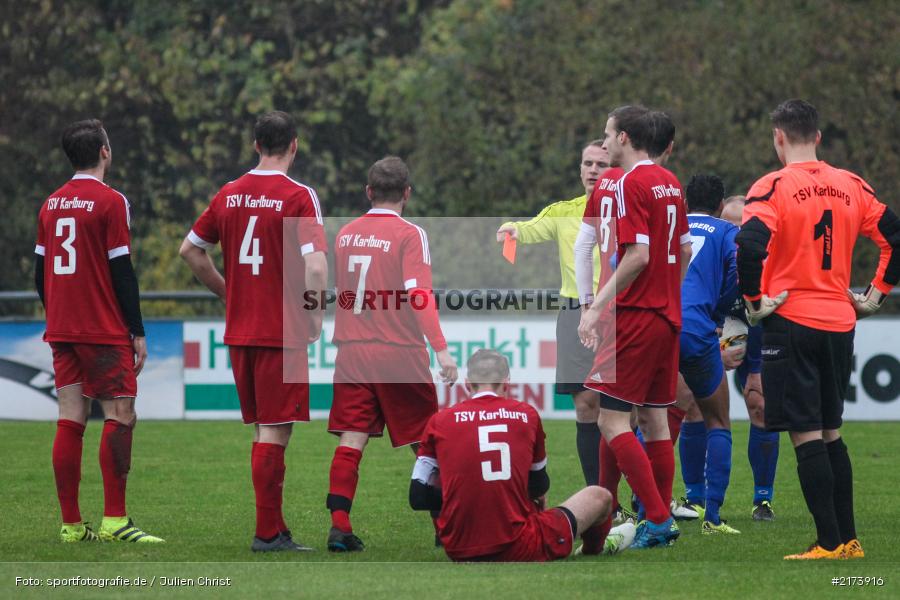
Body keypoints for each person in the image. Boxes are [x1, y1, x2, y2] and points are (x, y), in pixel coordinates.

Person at [736, 99, 900, 560]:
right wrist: (875, 294)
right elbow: (896, 237)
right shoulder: (852, 185)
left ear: (779, 138)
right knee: (831, 431)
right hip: (839, 324)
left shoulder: (772, 186)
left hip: (792, 323)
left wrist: (754, 302)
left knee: (806, 434)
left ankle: (829, 542)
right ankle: (849, 541)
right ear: (819, 138)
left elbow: (749, 246)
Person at [180, 110, 328, 552]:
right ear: (294, 145)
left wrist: (230, 294)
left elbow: (190, 251)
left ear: (255, 145)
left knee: (266, 428)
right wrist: (314, 314)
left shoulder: (228, 193)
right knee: (276, 430)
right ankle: (267, 534)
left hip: (241, 330)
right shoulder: (299, 195)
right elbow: (316, 265)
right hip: (282, 330)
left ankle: (275, 528)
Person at [35, 119, 162, 543]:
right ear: (105, 151)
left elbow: (39, 272)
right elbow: (121, 270)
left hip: (62, 328)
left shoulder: (50, 204)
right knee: (120, 415)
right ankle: (115, 521)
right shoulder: (111, 201)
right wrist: (136, 330)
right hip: (102, 328)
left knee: (70, 418)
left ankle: (71, 525)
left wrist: (58, 314)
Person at [326, 156, 458, 552]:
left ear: (368, 191)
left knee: (351, 440)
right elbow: (419, 295)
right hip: (398, 352)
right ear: (407, 193)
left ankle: (339, 526)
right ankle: (445, 527)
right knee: (427, 443)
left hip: (352, 350)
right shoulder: (410, 234)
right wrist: (441, 350)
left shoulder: (345, 234)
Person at [577, 106, 691, 549]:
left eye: (607, 135)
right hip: (666, 317)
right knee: (654, 420)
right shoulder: (670, 182)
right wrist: (669, 293)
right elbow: (684, 251)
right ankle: (635, 519)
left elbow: (637, 256)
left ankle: (658, 519)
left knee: (610, 420)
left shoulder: (628, 183)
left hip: (635, 316)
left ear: (624, 137)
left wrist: (595, 306)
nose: (604, 143)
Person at [409, 349, 635, 561]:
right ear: (507, 382)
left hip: (458, 547)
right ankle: (592, 550)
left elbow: (418, 496)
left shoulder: (439, 421)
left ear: (467, 384)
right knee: (600, 496)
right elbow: (538, 486)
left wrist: (460, 495)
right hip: (519, 544)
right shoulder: (526, 414)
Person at [495, 142, 606, 490]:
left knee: (628, 411)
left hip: (621, 313)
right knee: (586, 405)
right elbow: (531, 228)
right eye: (587, 163)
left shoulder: (628, 208)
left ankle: (639, 497)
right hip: (575, 313)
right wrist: (512, 228)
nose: (593, 170)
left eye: (601, 164)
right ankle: (600, 498)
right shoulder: (563, 211)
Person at [671, 174, 742, 534]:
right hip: (698, 328)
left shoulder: (670, 226)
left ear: (685, 203)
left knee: (655, 419)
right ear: (720, 205)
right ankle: (712, 517)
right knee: (718, 420)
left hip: (660, 326)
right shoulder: (727, 231)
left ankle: (646, 509)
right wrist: (719, 311)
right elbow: (739, 273)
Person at [721, 195, 779, 521]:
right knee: (690, 405)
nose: (736, 233)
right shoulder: (710, 253)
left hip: (756, 326)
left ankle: (763, 500)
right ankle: (695, 497)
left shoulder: (765, 260)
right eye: (730, 225)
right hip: (720, 324)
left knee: (760, 405)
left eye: (742, 226)